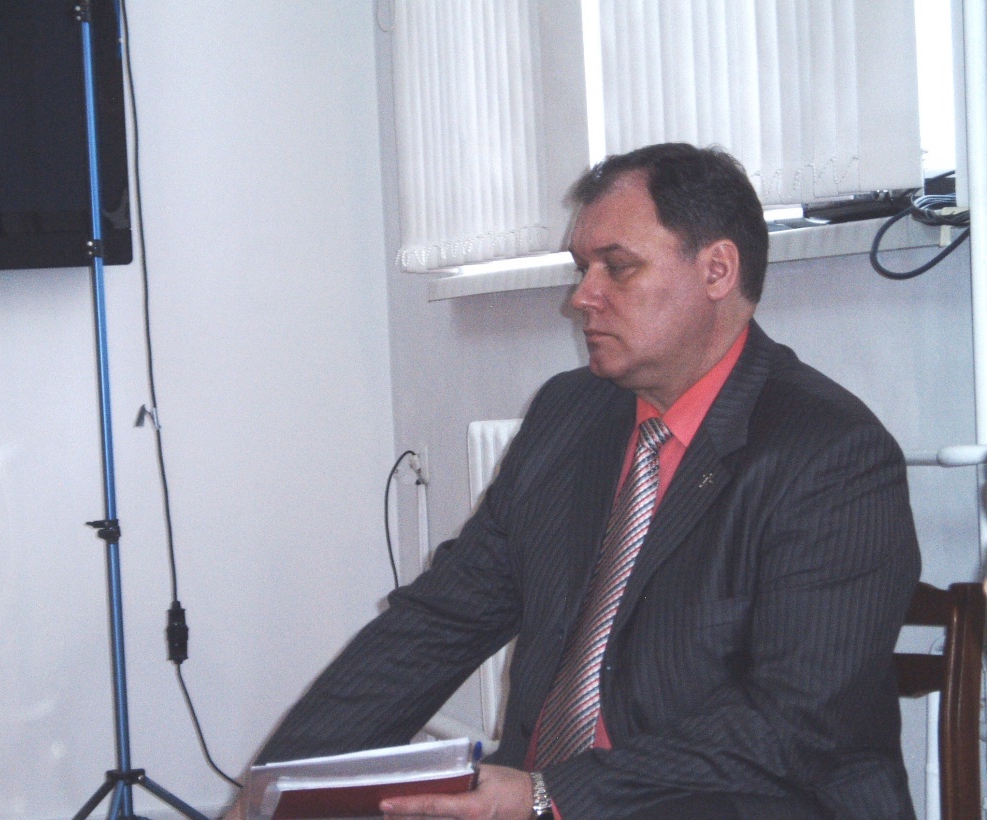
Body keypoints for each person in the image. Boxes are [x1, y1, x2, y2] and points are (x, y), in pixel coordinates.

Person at [226, 143, 920, 819]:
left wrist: (547, 797)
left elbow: (793, 725)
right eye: (583, 268)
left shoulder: (830, 455)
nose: (582, 297)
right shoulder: (571, 415)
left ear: (717, 270)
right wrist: (276, 792)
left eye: (617, 267)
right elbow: (436, 625)